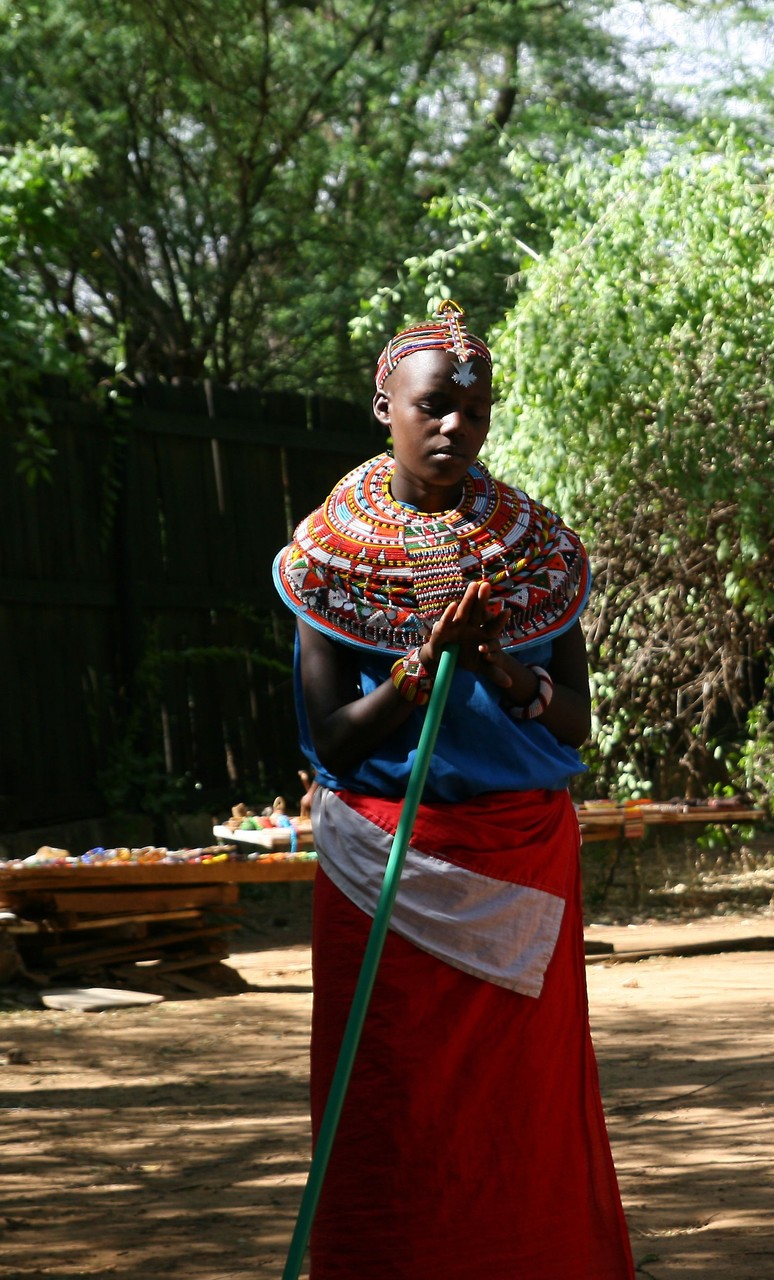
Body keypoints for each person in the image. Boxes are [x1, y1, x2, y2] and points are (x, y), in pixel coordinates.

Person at [273, 302, 632, 1278]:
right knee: (391, 1096)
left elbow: (573, 726)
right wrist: (416, 668)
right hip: (383, 864)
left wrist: (504, 670)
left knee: (520, 1110)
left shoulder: (539, 551)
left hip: (518, 851)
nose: (454, 429)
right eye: (433, 406)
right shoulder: (327, 554)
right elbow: (333, 745)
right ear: (383, 402)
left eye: (474, 412)